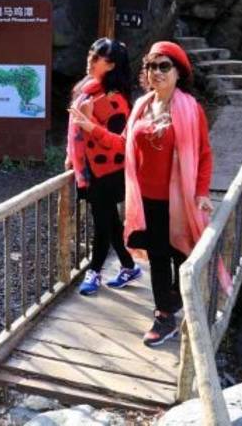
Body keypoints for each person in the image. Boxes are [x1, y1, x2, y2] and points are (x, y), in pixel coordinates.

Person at [69, 41, 214, 346]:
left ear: (178, 72)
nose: (156, 72)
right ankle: (164, 316)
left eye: (164, 66)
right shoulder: (141, 106)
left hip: (180, 197)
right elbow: (122, 144)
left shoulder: (191, 109)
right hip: (148, 199)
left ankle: (177, 298)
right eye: (151, 66)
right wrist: (90, 127)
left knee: (181, 252)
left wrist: (201, 192)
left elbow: (203, 154)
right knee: (159, 256)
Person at [65, 38, 141, 296]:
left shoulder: (115, 99)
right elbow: (74, 130)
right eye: (90, 53)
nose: (91, 59)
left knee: (102, 223)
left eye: (97, 57)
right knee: (109, 221)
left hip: (107, 173)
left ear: (111, 65)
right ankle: (129, 266)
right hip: (91, 170)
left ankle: (94, 271)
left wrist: (90, 124)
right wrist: (70, 155)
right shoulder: (88, 90)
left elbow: (120, 144)